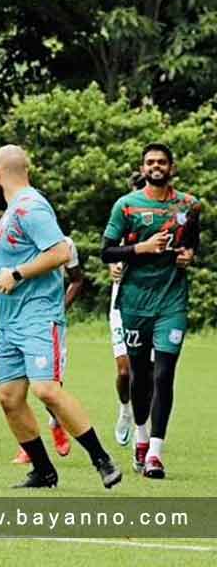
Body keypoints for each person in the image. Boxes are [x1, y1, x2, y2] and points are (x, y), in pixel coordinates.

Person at [0, 144, 121, 489]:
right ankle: (43, 471)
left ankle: (102, 459)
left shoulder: (31, 207)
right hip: (9, 322)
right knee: (9, 397)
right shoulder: (12, 212)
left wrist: (18, 274)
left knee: (46, 389)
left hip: (37, 316)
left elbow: (60, 251)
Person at [101, 142, 199, 479]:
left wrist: (189, 256)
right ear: (143, 168)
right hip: (134, 302)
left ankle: (156, 453)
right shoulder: (126, 206)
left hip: (171, 301)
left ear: (171, 167)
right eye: (149, 162)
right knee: (139, 376)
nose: (155, 166)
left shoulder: (189, 204)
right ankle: (140, 437)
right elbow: (106, 251)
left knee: (164, 373)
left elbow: (192, 243)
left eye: (161, 162)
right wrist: (139, 248)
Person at [11, 235, 84, 464]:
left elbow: (77, 280)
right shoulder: (13, 241)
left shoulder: (64, 244)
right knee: (15, 388)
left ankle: (55, 421)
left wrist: (59, 309)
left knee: (48, 386)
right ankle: (29, 447)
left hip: (48, 323)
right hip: (17, 321)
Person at [110, 172, 148, 446]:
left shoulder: (167, 223)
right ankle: (125, 409)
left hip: (155, 305)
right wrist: (113, 263)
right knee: (125, 371)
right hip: (122, 305)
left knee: (148, 372)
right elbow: (108, 251)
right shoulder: (120, 219)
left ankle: (142, 431)